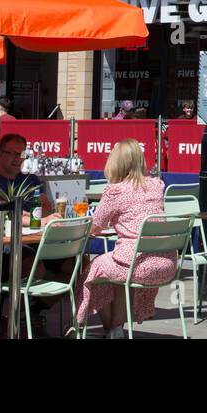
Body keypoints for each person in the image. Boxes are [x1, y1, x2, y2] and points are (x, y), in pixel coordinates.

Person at [77, 139, 176, 338]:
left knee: (92, 269)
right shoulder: (157, 185)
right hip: (166, 263)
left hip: (136, 263)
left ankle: (110, 330)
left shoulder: (116, 191)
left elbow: (95, 226)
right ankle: (116, 329)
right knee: (117, 273)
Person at [0, 133, 53, 217]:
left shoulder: (31, 180)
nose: (19, 159)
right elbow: (4, 217)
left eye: (22, 154)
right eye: (15, 154)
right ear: (1, 153)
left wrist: (30, 216)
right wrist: (34, 218)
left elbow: (46, 208)